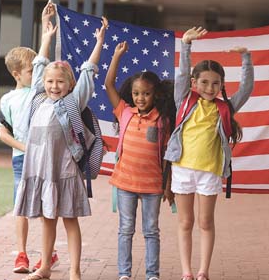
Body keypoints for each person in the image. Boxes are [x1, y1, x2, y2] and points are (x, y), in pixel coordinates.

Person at [13, 0, 107, 280]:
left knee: (70, 221)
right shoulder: (37, 98)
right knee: (47, 221)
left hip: (64, 171)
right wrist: (46, 33)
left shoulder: (72, 103)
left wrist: (99, 42)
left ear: (70, 85)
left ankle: (75, 271)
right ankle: (44, 267)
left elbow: (88, 71)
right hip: (39, 171)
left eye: (60, 82)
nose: (54, 86)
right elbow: (40, 64)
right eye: (50, 82)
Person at [164, 26, 254, 280]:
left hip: (210, 172)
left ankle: (203, 271)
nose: (210, 87)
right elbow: (182, 74)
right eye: (204, 82)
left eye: (216, 84)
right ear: (194, 83)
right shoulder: (185, 100)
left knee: (205, 223)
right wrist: (186, 45)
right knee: (185, 223)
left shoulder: (225, 108)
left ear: (222, 85)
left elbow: (246, 89)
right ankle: (187, 272)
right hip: (182, 168)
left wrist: (246, 57)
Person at [104, 40, 175, 280]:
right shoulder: (125, 112)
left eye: (146, 93)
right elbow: (108, 84)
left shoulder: (162, 120)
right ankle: (124, 273)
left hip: (152, 186)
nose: (140, 98)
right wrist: (116, 56)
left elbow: (167, 157)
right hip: (125, 184)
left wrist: (168, 186)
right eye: (136, 93)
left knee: (151, 231)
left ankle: (152, 274)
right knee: (125, 230)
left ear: (155, 94)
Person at [0, 26, 59, 275]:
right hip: (21, 161)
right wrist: (26, 148)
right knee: (20, 208)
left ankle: (48, 256)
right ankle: (21, 254)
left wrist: (46, 37)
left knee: (47, 207)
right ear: (16, 74)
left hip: (45, 160)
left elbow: (44, 60)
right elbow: (4, 134)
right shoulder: (7, 100)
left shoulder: (41, 92)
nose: (36, 73)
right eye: (30, 70)